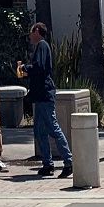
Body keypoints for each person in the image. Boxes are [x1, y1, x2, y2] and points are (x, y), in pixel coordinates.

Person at [23, 22, 72, 178]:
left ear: (37, 31)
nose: (30, 36)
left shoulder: (42, 46)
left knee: (52, 128)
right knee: (39, 131)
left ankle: (69, 161)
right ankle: (47, 164)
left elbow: (40, 68)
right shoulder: (40, 47)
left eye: (31, 32)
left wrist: (25, 68)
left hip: (44, 95)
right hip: (39, 96)